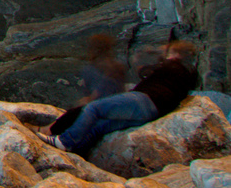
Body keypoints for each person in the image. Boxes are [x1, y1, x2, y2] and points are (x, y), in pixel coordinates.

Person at [48, 40, 198, 155]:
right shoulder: (185, 76)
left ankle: (65, 141)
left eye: (170, 52)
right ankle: (76, 151)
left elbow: (147, 70)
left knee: (93, 108)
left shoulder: (172, 66)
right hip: (152, 113)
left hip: (144, 100)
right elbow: (147, 72)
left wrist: (146, 58)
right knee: (100, 126)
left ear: (177, 55)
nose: (166, 55)